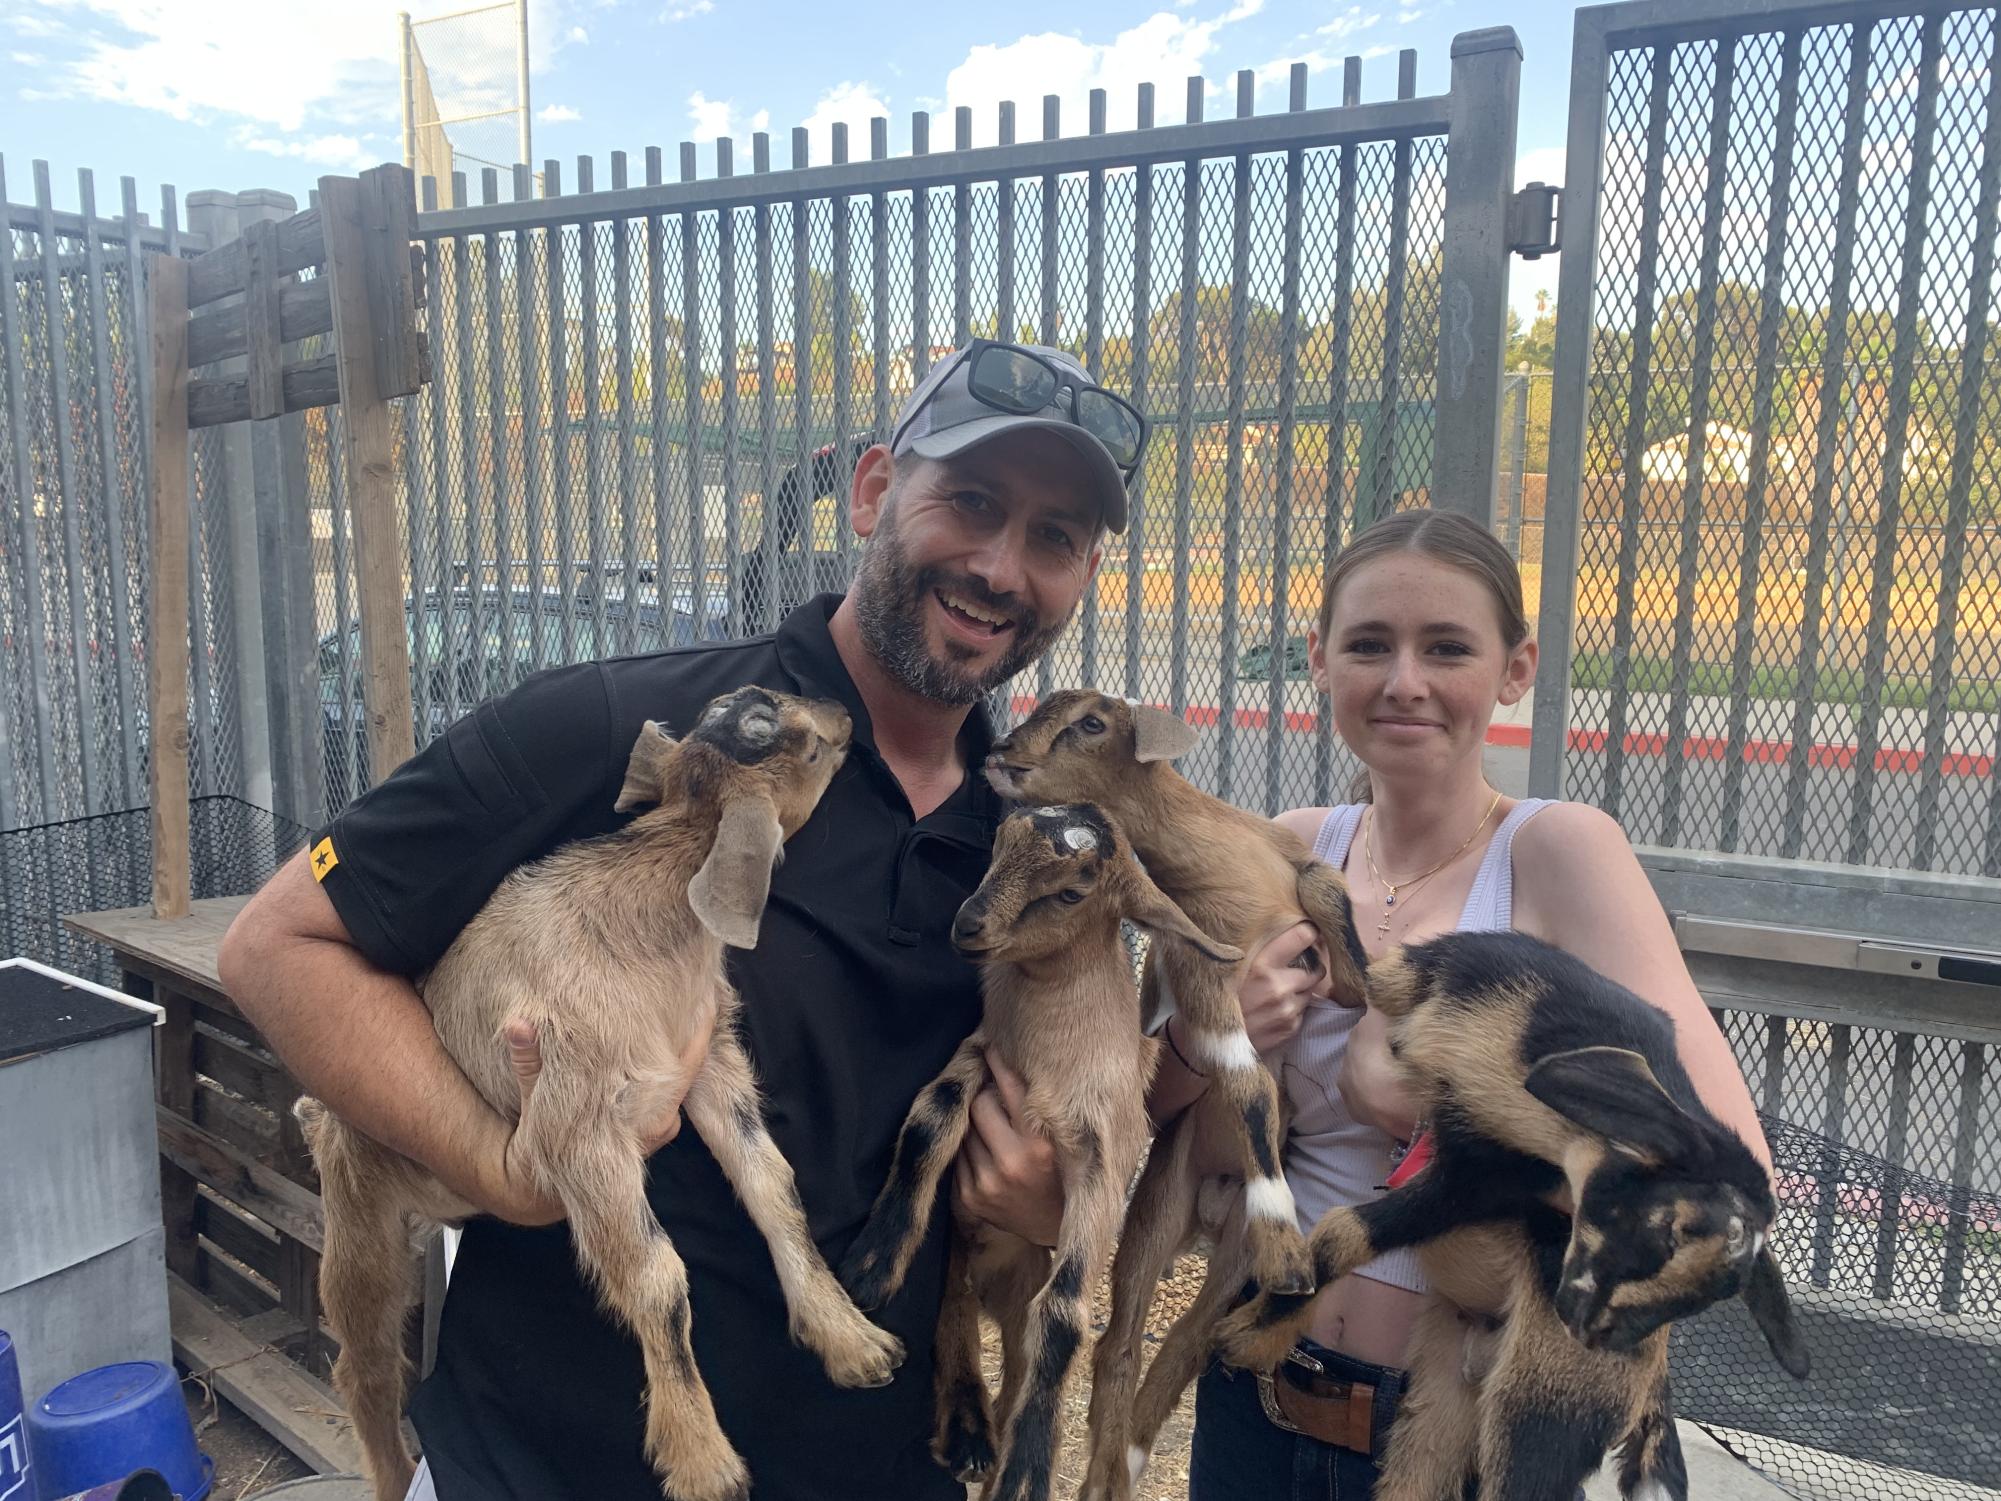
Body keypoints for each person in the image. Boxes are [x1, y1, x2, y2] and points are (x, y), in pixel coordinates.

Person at [217, 340, 1147, 1501]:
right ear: (872, 490)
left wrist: (1044, 1206)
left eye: (1054, 538)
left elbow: (1073, 1107)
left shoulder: (1033, 854)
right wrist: (504, 1170)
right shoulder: (631, 723)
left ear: (1084, 573)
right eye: (970, 502)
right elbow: (278, 946)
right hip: (550, 1469)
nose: (1002, 566)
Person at [1145, 507, 1772, 1498]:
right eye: (1368, 645)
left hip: (1455, 1426)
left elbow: (1728, 1183)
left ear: (1515, 669)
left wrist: (1440, 1107)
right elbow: (1172, 1137)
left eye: (1446, 648)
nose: (1404, 681)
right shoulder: (1295, 847)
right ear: (1317, 659)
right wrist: (1206, 1037)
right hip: (1253, 1395)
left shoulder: (1559, 851)